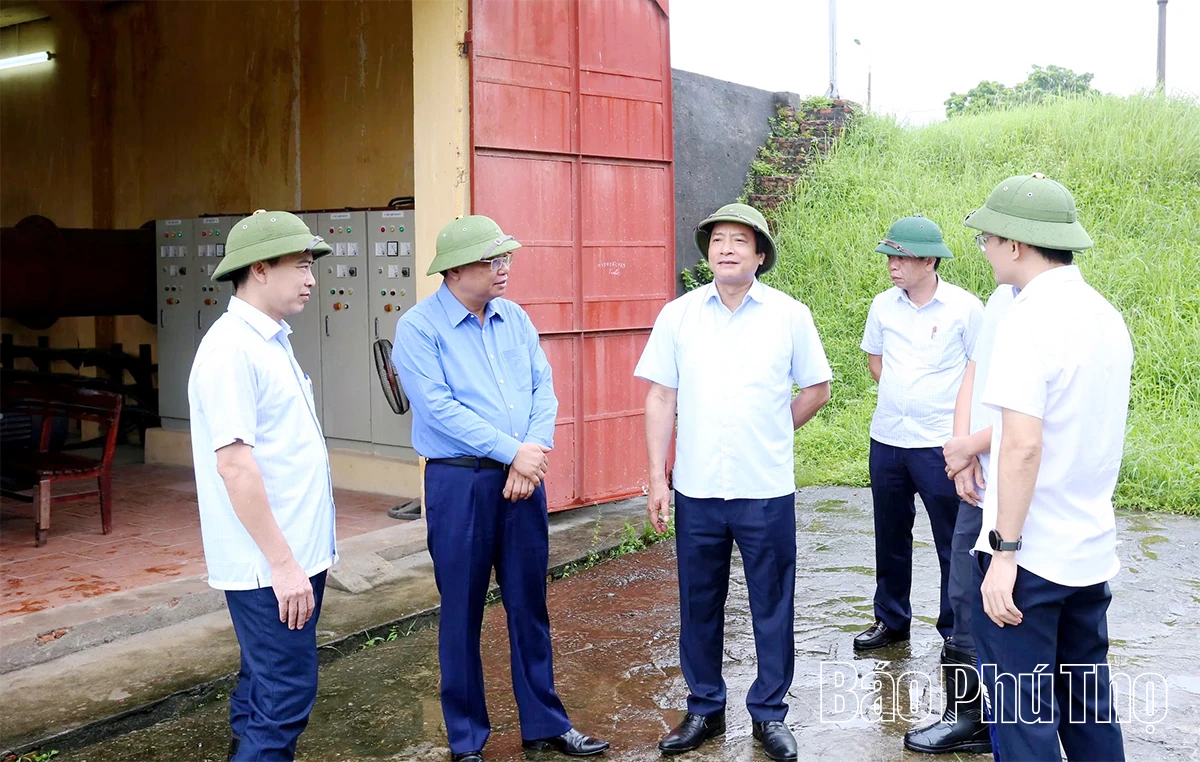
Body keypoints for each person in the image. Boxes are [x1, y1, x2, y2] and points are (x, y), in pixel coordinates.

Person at [391, 215, 609, 762]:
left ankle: (545, 723)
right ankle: (466, 741)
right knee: (462, 611)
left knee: (529, 605)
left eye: (505, 257)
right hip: (459, 482)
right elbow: (437, 409)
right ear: (457, 268)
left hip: (522, 480)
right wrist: (511, 451)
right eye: (493, 260)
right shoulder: (419, 329)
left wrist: (527, 456)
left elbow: (543, 388)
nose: (504, 268)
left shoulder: (513, 318)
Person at [636, 202, 832, 761]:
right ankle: (704, 708)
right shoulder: (678, 315)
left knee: (772, 602)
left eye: (739, 241)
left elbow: (816, 388)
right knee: (698, 602)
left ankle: (769, 714)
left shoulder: (789, 315)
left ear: (759, 255)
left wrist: (774, 430)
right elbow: (660, 397)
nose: (725, 248)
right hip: (696, 490)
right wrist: (657, 478)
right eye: (717, 239)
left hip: (764, 488)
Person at [967, 173, 1131, 761]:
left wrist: (1004, 552)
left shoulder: (1026, 320)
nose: (984, 249)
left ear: (1015, 244)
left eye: (987, 238)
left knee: (1022, 718)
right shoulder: (1105, 316)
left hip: (1031, 559)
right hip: (1087, 549)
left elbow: (1022, 445)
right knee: (1089, 709)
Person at [189, 210, 335, 761]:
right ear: (259, 270)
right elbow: (236, 466)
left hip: (291, 557)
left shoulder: (270, 340)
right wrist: (282, 564)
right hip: (269, 566)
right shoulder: (231, 349)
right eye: (300, 265)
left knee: (260, 690)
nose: (311, 278)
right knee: (283, 699)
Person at [855, 215, 983, 652]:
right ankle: (891, 620)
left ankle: (956, 631)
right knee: (890, 536)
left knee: (953, 541)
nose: (893, 265)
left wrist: (962, 440)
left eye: (902, 257)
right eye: (889, 256)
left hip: (940, 444)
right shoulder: (882, 306)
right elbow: (876, 362)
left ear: (930, 261)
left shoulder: (965, 308)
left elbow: (979, 371)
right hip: (889, 439)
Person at [901, 276, 1016, 754]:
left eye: (989, 238)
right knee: (965, 589)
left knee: (1019, 600)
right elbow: (975, 370)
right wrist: (961, 448)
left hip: (1022, 478)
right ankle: (967, 715)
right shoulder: (1000, 298)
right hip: (983, 473)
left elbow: (1033, 414)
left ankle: (1020, 715)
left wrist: (971, 444)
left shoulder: (1049, 311)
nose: (983, 247)